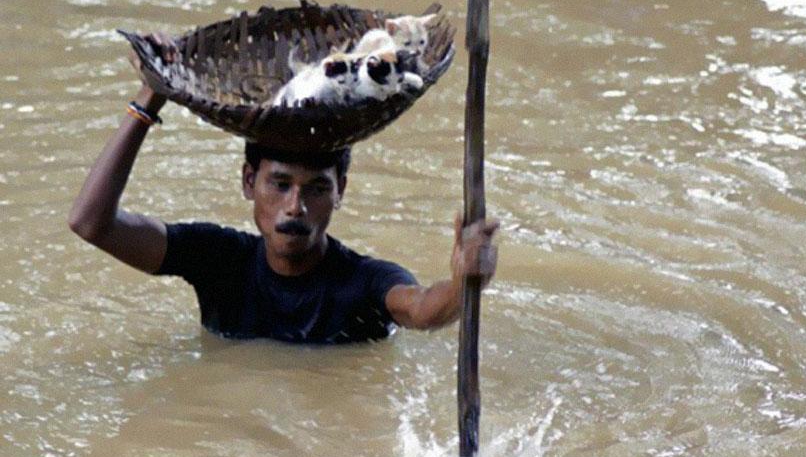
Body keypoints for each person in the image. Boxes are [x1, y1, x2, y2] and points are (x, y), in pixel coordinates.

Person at [68, 34, 499, 343]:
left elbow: (423, 309)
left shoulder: (365, 281)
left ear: (341, 191)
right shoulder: (218, 261)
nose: (296, 207)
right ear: (248, 181)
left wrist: (465, 284)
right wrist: (148, 100)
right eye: (280, 184)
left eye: (316, 189)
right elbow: (90, 223)